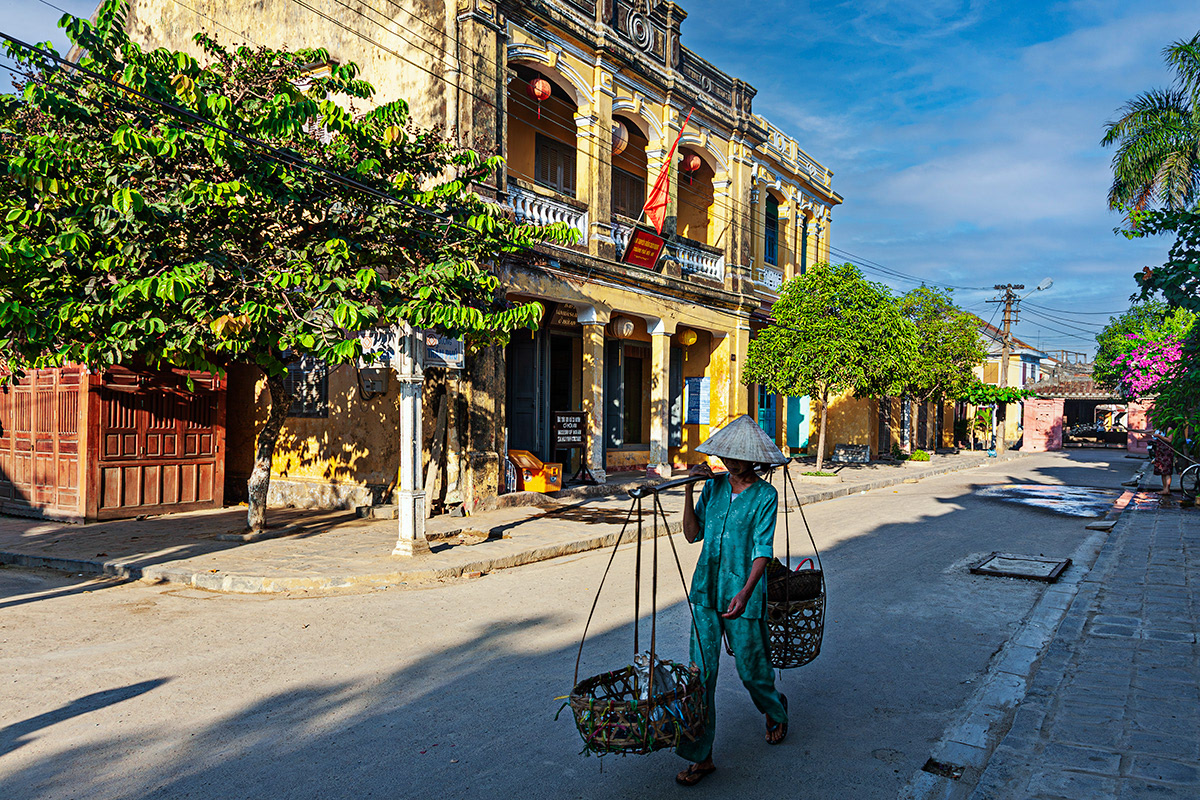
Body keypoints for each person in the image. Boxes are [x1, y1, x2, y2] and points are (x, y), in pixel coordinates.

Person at [675, 415, 788, 787]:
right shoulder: (715, 488)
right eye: (728, 457)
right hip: (707, 592)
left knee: (752, 671)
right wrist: (691, 489)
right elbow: (692, 534)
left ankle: (774, 710)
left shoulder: (765, 496)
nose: (731, 464)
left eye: (739, 459)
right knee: (700, 678)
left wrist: (745, 592)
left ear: (755, 461)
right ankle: (700, 756)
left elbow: (762, 551)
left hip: (744, 595)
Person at [1151, 426, 1175, 496]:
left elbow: (1169, 440)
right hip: (1161, 452)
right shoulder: (1160, 429)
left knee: (1167, 471)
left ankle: (1167, 489)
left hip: (1166, 452)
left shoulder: (1169, 428)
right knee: (1162, 471)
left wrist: (1159, 436)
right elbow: (1149, 431)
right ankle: (1164, 489)